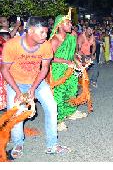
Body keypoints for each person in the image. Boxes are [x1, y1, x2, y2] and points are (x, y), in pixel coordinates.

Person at [0, 16, 70, 159]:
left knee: (52, 106)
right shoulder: (12, 45)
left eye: (46, 32)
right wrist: (18, 92)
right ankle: (18, 143)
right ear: (30, 31)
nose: (46, 36)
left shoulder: (45, 45)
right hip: (15, 82)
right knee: (17, 113)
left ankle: (52, 144)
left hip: (36, 81)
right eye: (42, 32)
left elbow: (44, 68)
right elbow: (4, 70)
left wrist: (33, 88)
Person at [49, 13, 87, 132]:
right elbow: (50, 57)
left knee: (72, 90)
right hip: (58, 70)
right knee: (59, 94)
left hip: (70, 68)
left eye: (70, 22)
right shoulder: (54, 40)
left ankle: (70, 112)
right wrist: (66, 61)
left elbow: (73, 55)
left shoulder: (72, 36)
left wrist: (78, 62)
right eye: (68, 23)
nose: (71, 25)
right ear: (60, 25)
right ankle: (58, 120)